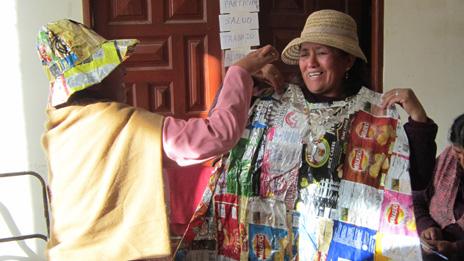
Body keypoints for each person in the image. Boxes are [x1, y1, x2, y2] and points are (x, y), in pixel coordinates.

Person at [175, 9, 437, 260]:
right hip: (272, 243)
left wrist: (419, 121)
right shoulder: (273, 100)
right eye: (304, 54)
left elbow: (415, 178)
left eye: (322, 53)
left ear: (348, 60)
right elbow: (223, 137)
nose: (310, 63)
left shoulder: (377, 114)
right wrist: (244, 86)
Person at [37, 19, 279, 260]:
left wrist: (240, 87)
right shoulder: (118, 123)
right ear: (95, 81)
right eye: (111, 66)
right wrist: (240, 72)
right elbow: (215, 136)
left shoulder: (59, 128)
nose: (123, 71)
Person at [413, 113, 464, 261]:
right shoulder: (449, 159)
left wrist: (455, 248)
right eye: (456, 151)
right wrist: (427, 227)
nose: (456, 157)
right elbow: (417, 199)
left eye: (461, 153)